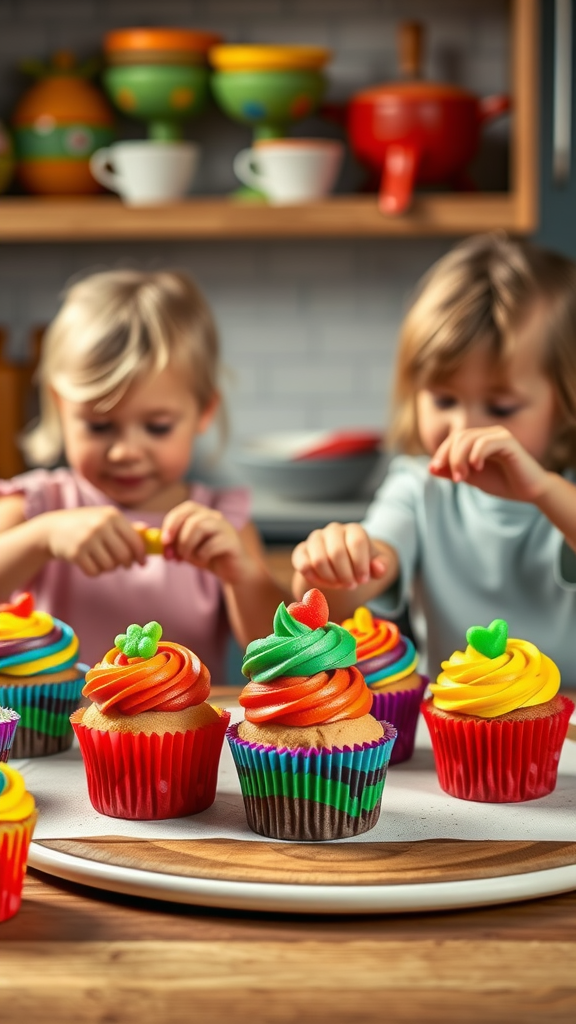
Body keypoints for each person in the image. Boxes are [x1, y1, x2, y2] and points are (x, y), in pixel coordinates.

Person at [291, 233, 576, 682]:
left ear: (564, 403)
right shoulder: (418, 487)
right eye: (444, 400)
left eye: (501, 408)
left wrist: (542, 491)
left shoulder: (564, 496)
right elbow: (355, 583)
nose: (463, 429)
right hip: (454, 723)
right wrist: (333, 569)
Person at [0, 269, 286, 683]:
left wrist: (242, 573)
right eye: (99, 427)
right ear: (62, 408)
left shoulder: (224, 526)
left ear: (204, 411)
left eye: (157, 427)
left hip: (175, 743)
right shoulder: (35, 507)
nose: (126, 452)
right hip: (51, 743)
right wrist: (41, 538)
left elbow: (276, 658)